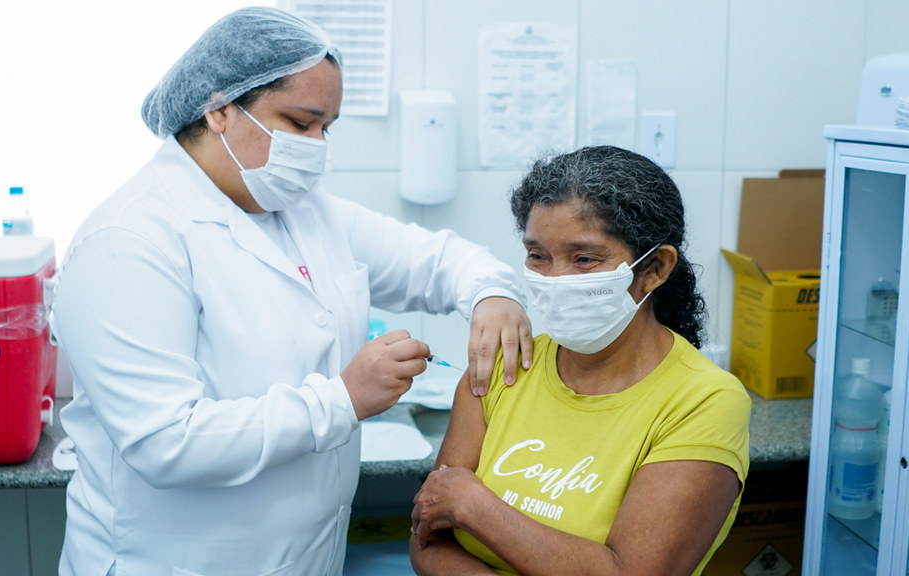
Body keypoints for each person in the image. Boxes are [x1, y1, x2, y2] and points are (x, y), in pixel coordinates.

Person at [50, 7, 532, 576]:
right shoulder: (129, 239)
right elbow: (166, 442)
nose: (316, 145)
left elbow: (438, 262)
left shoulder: (305, 213)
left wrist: (494, 294)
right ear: (219, 108)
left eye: (327, 127)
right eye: (301, 122)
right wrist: (344, 399)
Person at [409, 145, 751, 576]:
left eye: (584, 259)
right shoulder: (504, 366)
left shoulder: (704, 400)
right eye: (538, 256)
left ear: (655, 268)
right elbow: (427, 538)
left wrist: (474, 505)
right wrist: (454, 504)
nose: (556, 279)